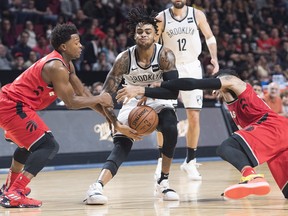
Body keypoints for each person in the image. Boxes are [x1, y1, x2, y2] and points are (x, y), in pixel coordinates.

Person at [119, 68, 288, 199]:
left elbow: (193, 84)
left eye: (217, 82)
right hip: (279, 134)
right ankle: (250, 178)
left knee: (226, 147)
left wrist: (153, 87)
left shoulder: (233, 80)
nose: (216, 87)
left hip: (273, 126)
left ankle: (252, 178)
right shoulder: (232, 101)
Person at [0, 23, 114, 208]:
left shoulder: (67, 65)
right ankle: (15, 192)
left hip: (12, 104)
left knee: (29, 145)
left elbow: (84, 94)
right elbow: (71, 102)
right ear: (63, 46)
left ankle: (9, 188)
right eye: (76, 42)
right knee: (48, 145)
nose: (81, 45)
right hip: (12, 105)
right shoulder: (57, 67)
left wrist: (108, 116)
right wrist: (101, 98)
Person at [84, 7, 181, 205]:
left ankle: (163, 179)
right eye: (139, 32)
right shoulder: (124, 59)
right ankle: (97, 186)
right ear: (133, 35)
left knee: (170, 126)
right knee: (122, 143)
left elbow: (173, 92)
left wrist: (141, 90)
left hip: (158, 98)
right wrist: (115, 123)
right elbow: (105, 96)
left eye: (147, 31)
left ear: (156, 34)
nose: (143, 34)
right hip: (132, 101)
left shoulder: (165, 55)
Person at [154, 0, 219, 181]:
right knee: (164, 115)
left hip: (192, 66)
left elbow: (210, 37)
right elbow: (153, 44)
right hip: (170, 67)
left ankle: (190, 161)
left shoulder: (197, 15)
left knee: (194, 116)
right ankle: (161, 161)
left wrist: (214, 58)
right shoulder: (161, 18)